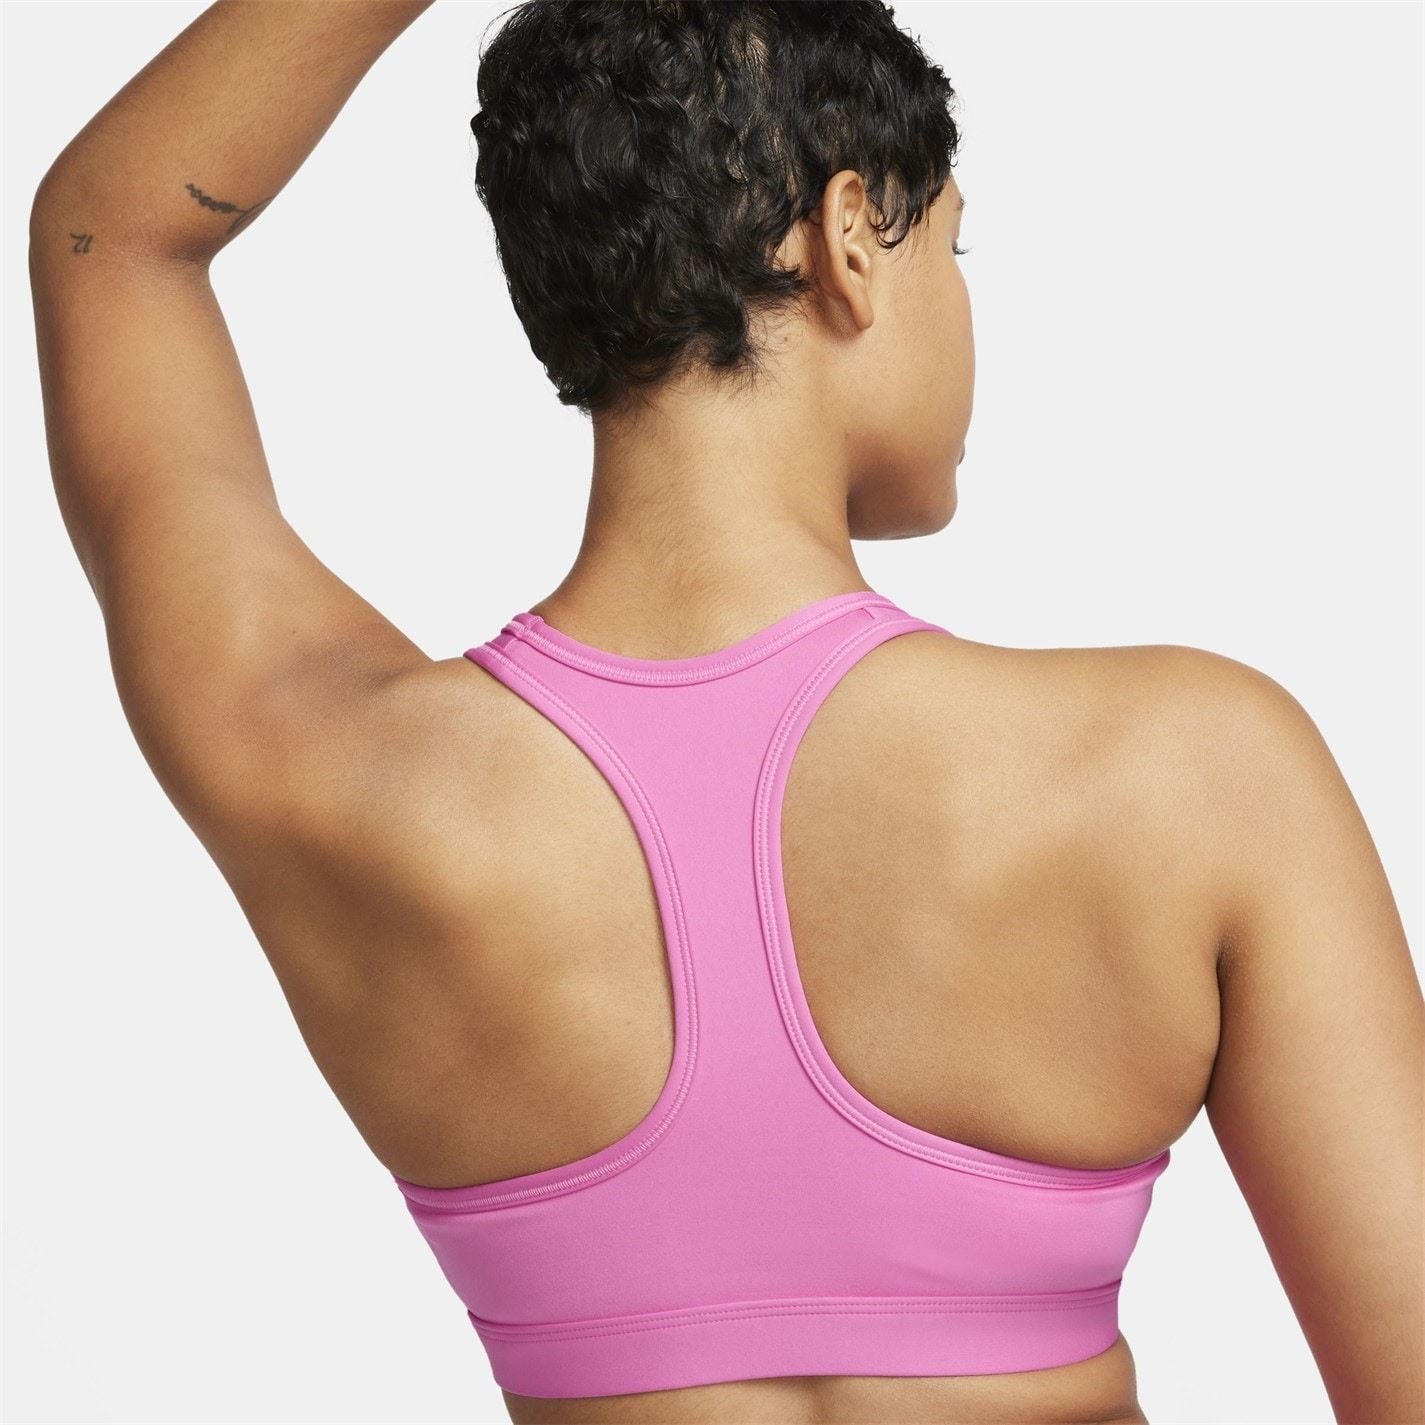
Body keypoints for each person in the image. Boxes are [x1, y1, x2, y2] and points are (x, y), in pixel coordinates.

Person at [27, 2, 1422, 1422]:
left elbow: (109, 235)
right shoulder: (1194, 772)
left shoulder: (337, 772)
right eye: (953, 245)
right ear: (848, 241)